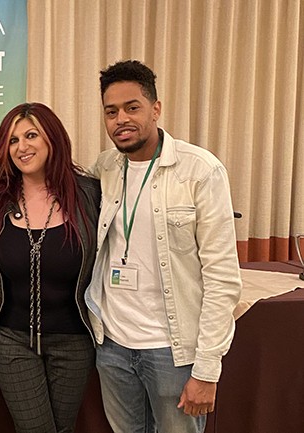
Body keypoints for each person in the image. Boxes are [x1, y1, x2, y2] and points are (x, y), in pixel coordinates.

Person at [85, 59, 243, 433]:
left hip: (173, 352)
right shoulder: (104, 168)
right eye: (111, 111)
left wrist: (206, 368)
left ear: (156, 108)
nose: (121, 119)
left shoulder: (200, 171)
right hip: (112, 345)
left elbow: (222, 278)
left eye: (132, 107)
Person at [0, 102, 99, 433]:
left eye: (31, 135)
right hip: (12, 340)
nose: (22, 147)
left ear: (52, 139)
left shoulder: (88, 194)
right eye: (13, 140)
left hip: (74, 341)